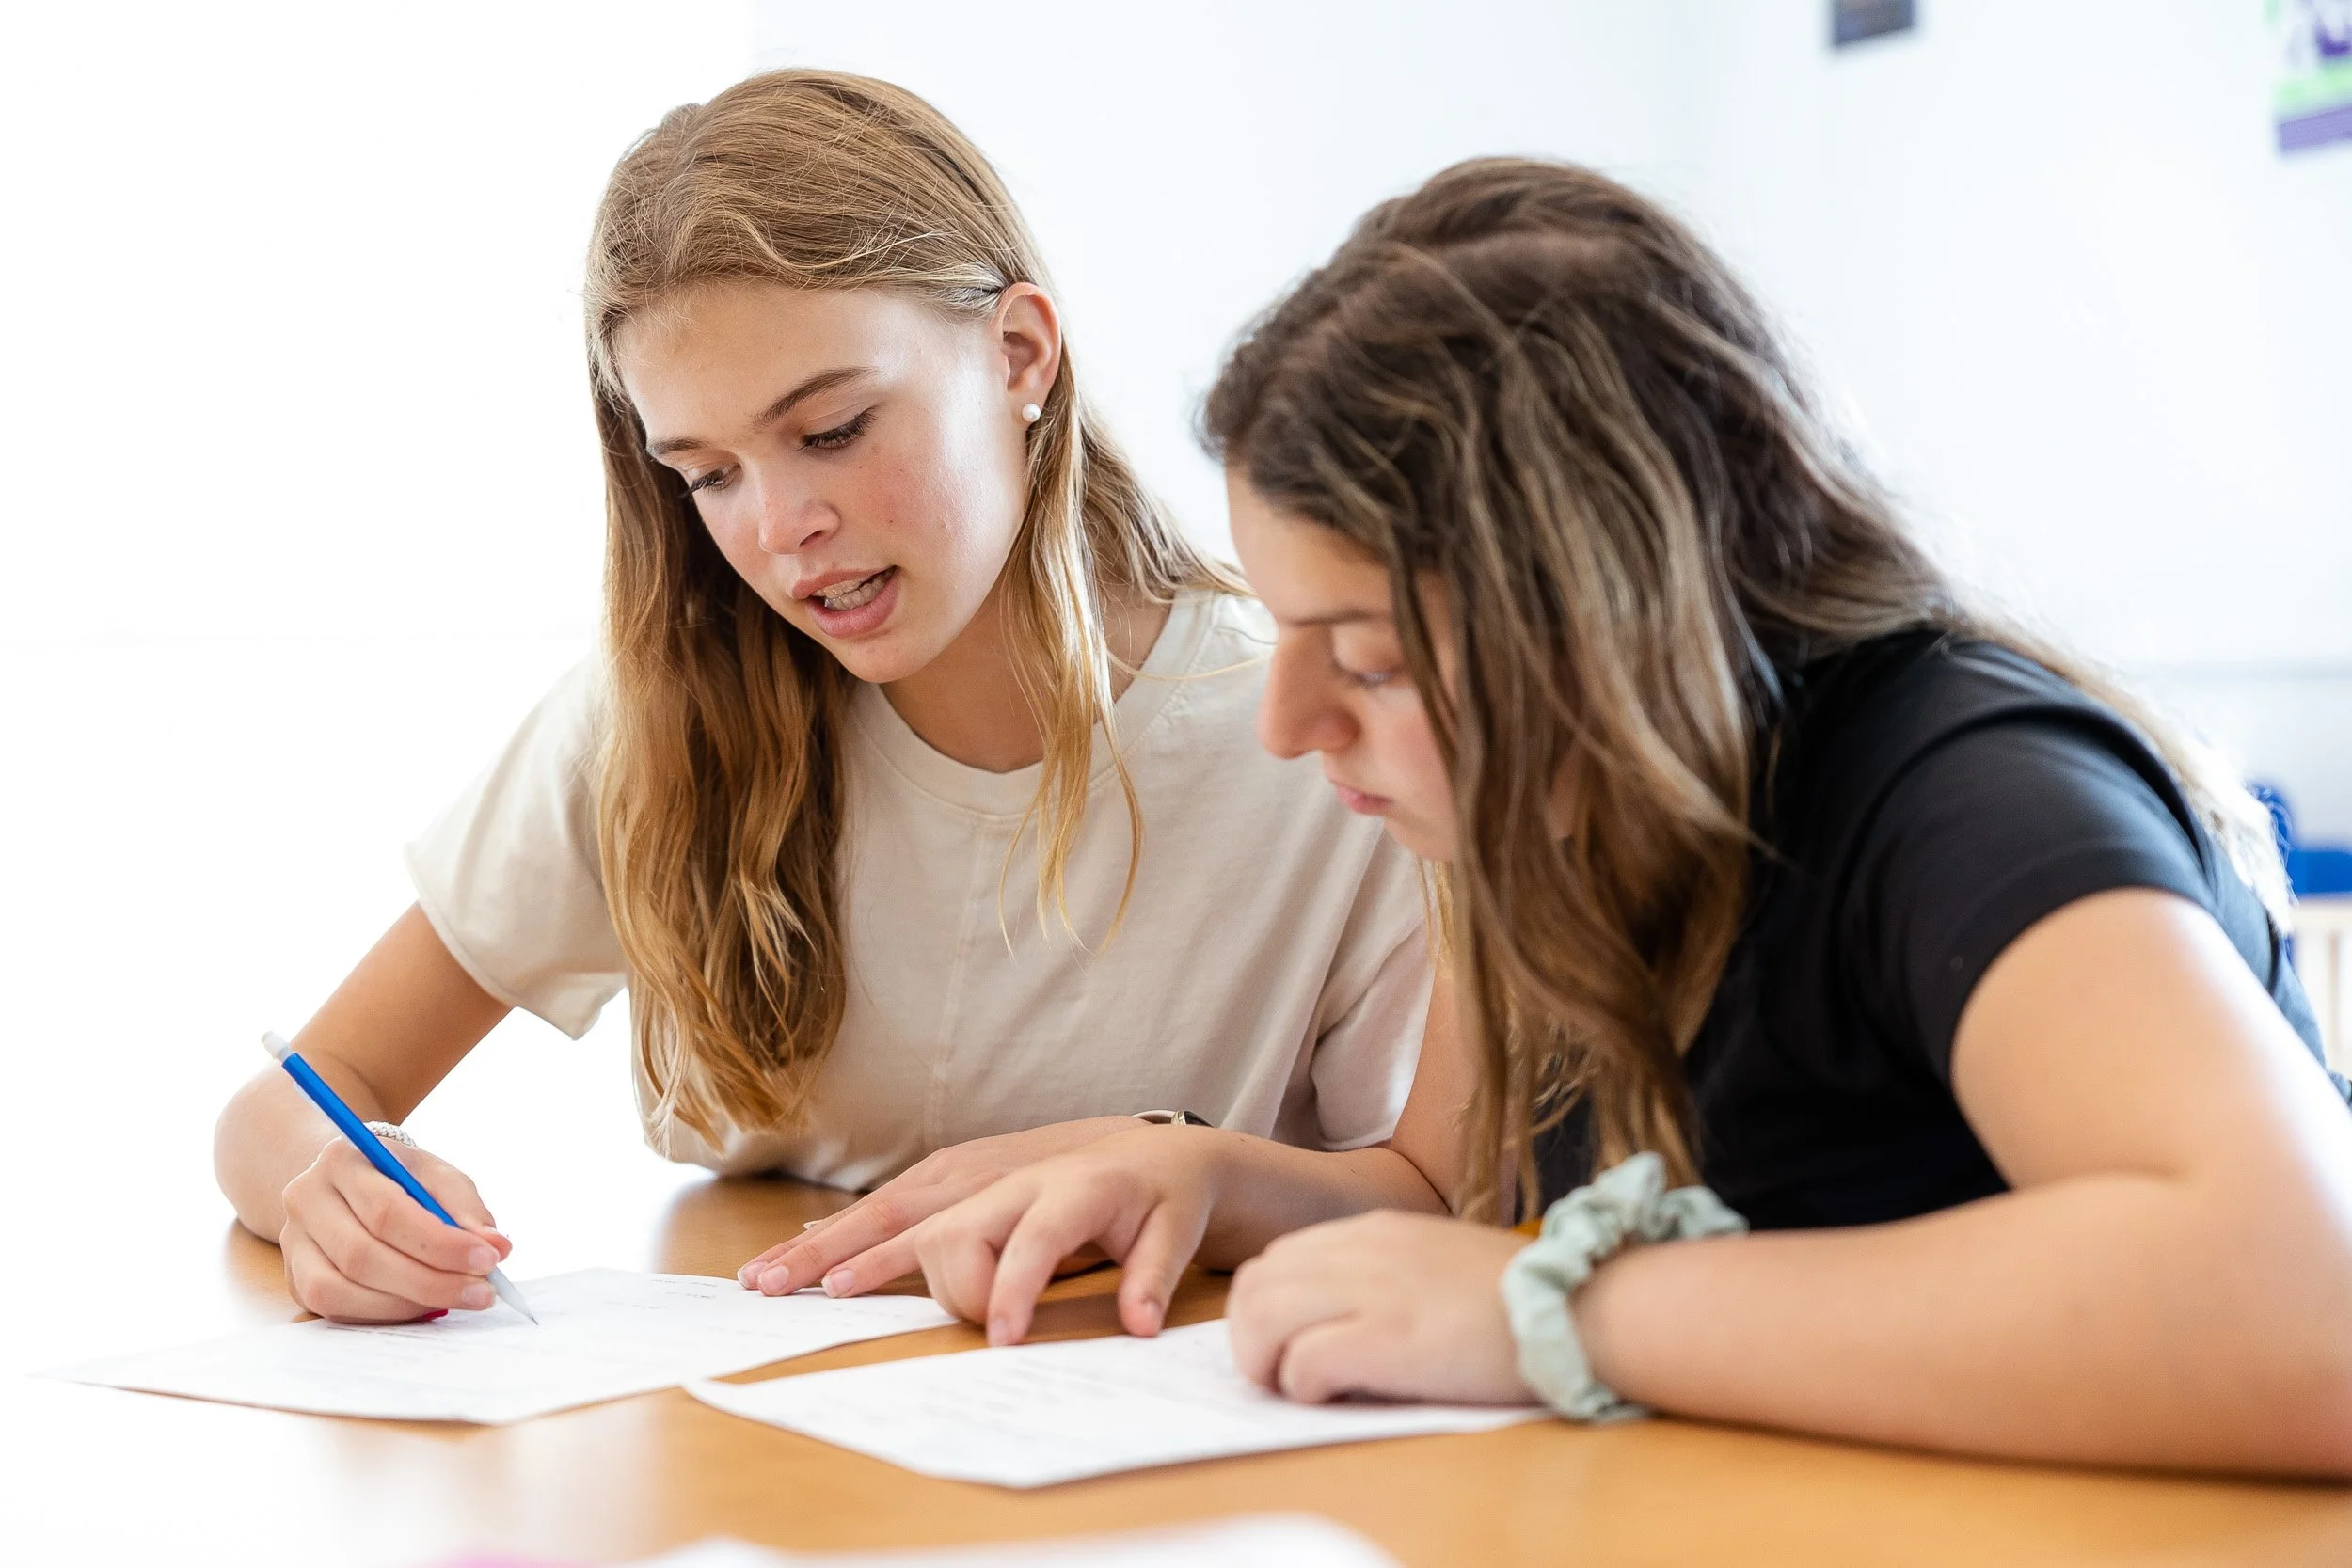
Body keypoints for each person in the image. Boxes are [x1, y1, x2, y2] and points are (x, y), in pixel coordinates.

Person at [834, 158, 2352, 1476]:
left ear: (1608, 617)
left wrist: (1563, 1314)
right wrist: (1211, 1177)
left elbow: (2305, 1297)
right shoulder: (1540, 812)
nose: (1292, 727)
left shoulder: (1968, 795)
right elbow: (1452, 1193)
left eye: (1364, 655)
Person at [211, 71, 1430, 1325]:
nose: (785, 529)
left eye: (835, 430)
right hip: (772, 1445)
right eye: (710, 474)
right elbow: (297, 1093)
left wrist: (1199, 1177)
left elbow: (1441, 1194)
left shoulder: (1316, 741)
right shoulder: (665, 710)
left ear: (1021, 354)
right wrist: (334, 1179)